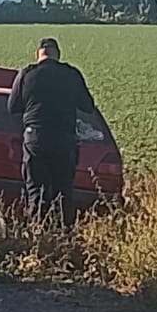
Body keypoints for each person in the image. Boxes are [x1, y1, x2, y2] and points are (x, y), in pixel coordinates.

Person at [6, 37, 96, 229]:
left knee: (36, 193)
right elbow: (88, 106)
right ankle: (64, 235)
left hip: (35, 139)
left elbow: (12, 107)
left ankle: (36, 233)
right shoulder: (71, 74)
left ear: (38, 55)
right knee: (63, 193)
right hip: (64, 141)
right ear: (58, 55)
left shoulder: (26, 74)